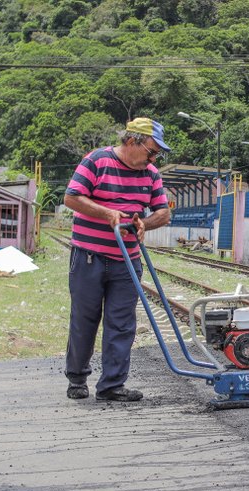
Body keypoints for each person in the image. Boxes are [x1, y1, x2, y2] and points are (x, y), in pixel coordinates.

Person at [63, 117, 172, 401]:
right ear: (131, 141)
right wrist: (106, 213)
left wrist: (145, 223)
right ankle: (77, 379)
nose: (153, 158)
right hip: (89, 256)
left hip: (127, 259)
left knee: (122, 322)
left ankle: (112, 385)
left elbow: (163, 212)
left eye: (156, 154)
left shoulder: (151, 174)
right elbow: (72, 197)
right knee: (85, 319)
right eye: (151, 151)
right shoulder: (97, 161)